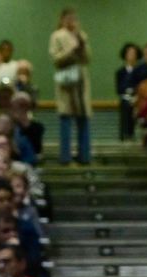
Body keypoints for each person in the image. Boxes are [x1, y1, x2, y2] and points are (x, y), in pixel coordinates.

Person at [48, 8, 92, 164]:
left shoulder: (82, 35)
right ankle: (65, 156)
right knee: (65, 118)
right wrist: (72, 50)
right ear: (62, 19)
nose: (72, 20)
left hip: (81, 81)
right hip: (66, 80)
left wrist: (81, 44)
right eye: (68, 17)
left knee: (84, 118)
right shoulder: (57, 36)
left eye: (74, 17)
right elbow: (56, 58)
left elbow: (87, 58)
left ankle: (85, 155)